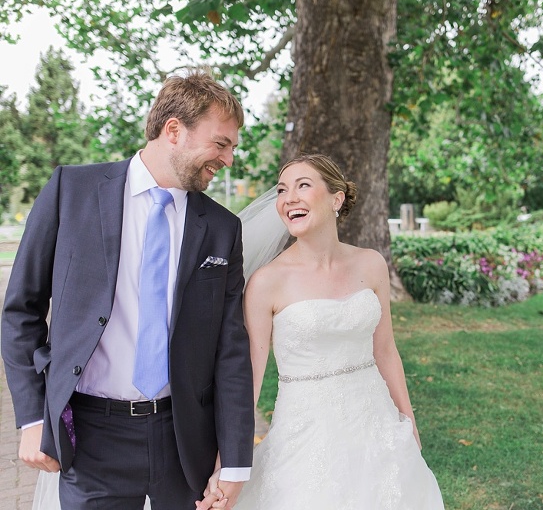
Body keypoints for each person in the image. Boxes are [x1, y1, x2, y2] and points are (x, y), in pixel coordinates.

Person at [1, 69, 255, 510]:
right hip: (91, 437)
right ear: (173, 130)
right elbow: (20, 310)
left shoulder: (221, 228)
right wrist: (32, 416)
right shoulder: (70, 190)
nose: (229, 159)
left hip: (183, 438)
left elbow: (230, 349)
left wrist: (233, 461)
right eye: (221, 143)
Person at [199, 153, 445, 509]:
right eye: (282, 190)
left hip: (377, 427)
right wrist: (228, 462)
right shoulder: (267, 282)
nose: (289, 198)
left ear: (336, 198)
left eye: (303, 185)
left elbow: (386, 350)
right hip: (306, 436)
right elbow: (248, 377)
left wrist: (409, 423)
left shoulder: (371, 264)